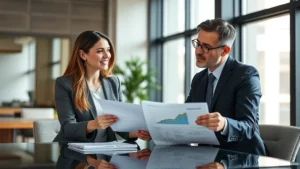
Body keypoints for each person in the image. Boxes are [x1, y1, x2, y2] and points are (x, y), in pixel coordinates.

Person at [186, 18, 266, 155]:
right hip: (206, 158)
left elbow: (249, 127)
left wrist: (225, 124)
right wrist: (158, 129)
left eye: (206, 47)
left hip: (242, 159)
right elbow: (186, 115)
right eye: (198, 44)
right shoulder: (199, 79)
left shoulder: (246, 75)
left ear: (225, 51)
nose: (198, 51)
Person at [53, 31, 151, 142]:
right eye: (100, 51)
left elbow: (120, 125)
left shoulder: (113, 82)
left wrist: (137, 133)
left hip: (106, 151)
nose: (107, 55)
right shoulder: (65, 83)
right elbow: (67, 128)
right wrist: (94, 124)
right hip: (74, 152)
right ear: (82, 55)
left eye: (108, 50)